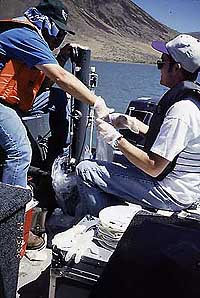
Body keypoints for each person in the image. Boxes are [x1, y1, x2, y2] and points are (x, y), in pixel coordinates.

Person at [0, 0, 110, 248]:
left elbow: (47, 84)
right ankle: (11, 228)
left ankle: (56, 157)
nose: (59, 36)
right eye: (57, 31)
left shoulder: (36, 39)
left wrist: (60, 56)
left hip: (9, 102)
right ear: (44, 22)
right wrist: (97, 103)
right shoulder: (24, 34)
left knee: (58, 95)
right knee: (20, 152)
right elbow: (60, 76)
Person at [76, 34, 200, 217]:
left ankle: (102, 225)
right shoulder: (189, 102)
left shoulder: (181, 111)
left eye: (162, 63)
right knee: (111, 159)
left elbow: (153, 166)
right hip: (179, 182)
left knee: (86, 170)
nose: (159, 67)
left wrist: (115, 138)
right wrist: (132, 124)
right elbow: (170, 144)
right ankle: (116, 208)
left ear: (176, 68)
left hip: (172, 192)